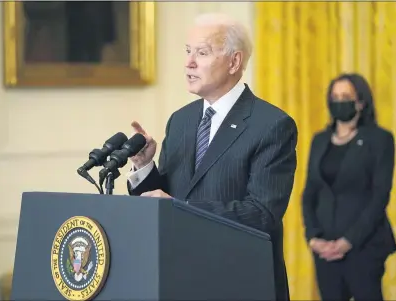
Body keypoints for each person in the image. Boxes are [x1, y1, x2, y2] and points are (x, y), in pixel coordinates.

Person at [126, 13, 298, 301]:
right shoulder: (180, 121)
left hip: (240, 282)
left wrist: (182, 207)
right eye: (187, 51)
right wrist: (144, 167)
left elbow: (262, 213)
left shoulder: (271, 125)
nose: (189, 62)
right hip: (181, 278)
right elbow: (165, 200)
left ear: (234, 62)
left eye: (202, 53)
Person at [301, 73, 396, 301]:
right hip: (324, 247)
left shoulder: (380, 139)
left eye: (346, 96)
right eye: (334, 97)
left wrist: (348, 241)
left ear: (361, 102)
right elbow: (310, 193)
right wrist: (313, 237)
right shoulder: (320, 140)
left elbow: (380, 196)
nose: (339, 101)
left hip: (364, 246)